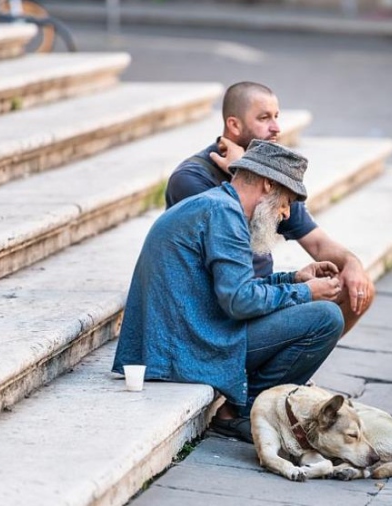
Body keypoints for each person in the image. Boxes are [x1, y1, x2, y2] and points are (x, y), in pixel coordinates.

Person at [113, 140, 345, 443]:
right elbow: (240, 302)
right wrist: (307, 293)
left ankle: (248, 407)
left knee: (313, 309)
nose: (287, 213)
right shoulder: (224, 214)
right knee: (326, 317)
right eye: (287, 200)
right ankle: (247, 413)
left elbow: (235, 291)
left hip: (180, 341)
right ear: (267, 184)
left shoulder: (217, 206)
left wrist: (296, 279)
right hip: (183, 352)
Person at [165, 81, 373, 335]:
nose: (276, 128)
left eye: (276, 116)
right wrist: (241, 171)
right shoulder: (191, 179)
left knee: (357, 290)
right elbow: (227, 248)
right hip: (220, 308)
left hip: (262, 294)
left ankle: (290, 363)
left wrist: (352, 264)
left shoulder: (272, 176)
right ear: (234, 125)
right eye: (264, 118)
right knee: (323, 315)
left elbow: (318, 243)